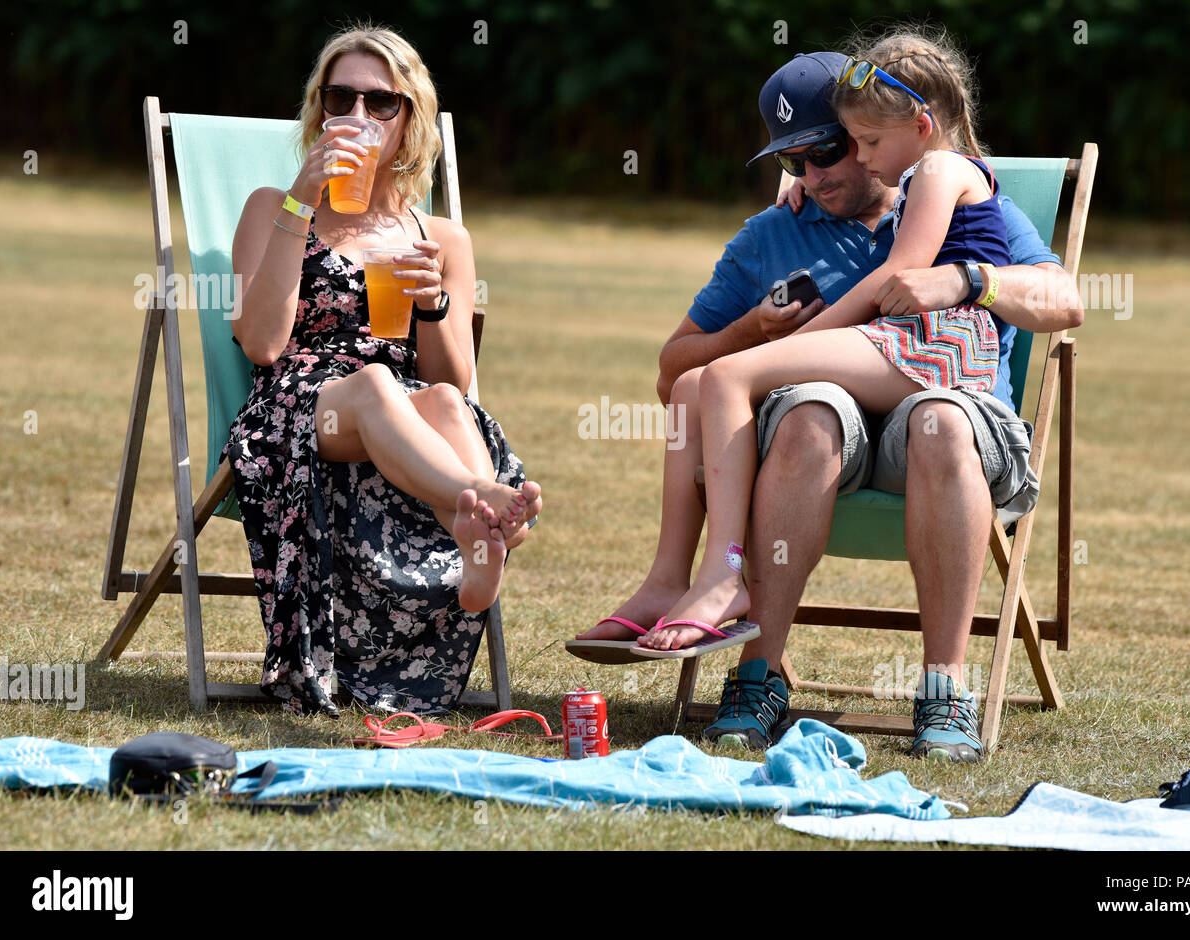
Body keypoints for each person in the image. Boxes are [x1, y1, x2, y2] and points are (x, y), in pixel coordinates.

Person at [576, 33, 1081, 761]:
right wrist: (753, 329)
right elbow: (671, 377)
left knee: (939, 422)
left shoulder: (944, 186)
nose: (812, 175)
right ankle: (753, 668)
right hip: (822, 439)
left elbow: (1065, 299)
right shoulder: (774, 232)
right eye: (792, 161)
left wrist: (974, 280)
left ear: (870, 131)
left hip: (948, 420)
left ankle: (944, 691)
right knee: (789, 411)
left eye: (829, 152)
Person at [223, 25, 541, 717]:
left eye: (380, 103)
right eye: (342, 98)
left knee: (448, 409)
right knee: (372, 386)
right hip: (300, 408)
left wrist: (434, 304)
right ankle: (478, 503)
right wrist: (298, 207)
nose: (358, 118)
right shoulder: (271, 206)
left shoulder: (440, 237)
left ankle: (472, 519)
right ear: (320, 109)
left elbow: (451, 379)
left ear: (409, 119)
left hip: (407, 409)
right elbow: (261, 344)